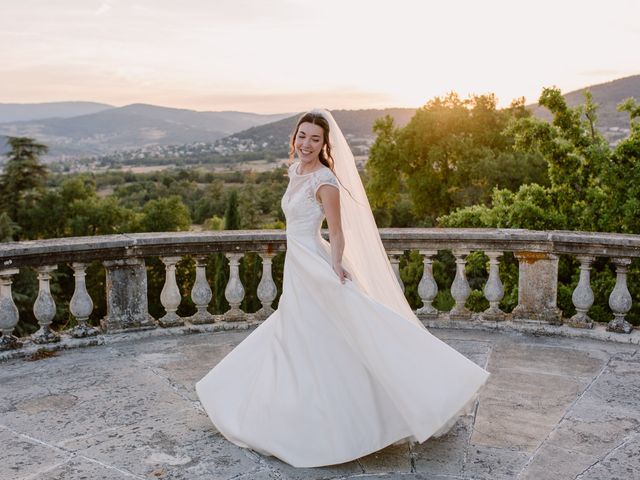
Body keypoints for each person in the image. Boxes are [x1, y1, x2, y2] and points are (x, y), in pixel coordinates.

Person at [195, 108, 490, 468]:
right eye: (302, 136)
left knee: (331, 334)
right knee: (297, 338)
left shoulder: (325, 181)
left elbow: (336, 232)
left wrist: (335, 265)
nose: (306, 144)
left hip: (314, 266)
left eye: (315, 139)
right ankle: (288, 416)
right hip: (296, 265)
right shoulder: (295, 172)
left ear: (324, 144)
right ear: (294, 138)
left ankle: (410, 396)